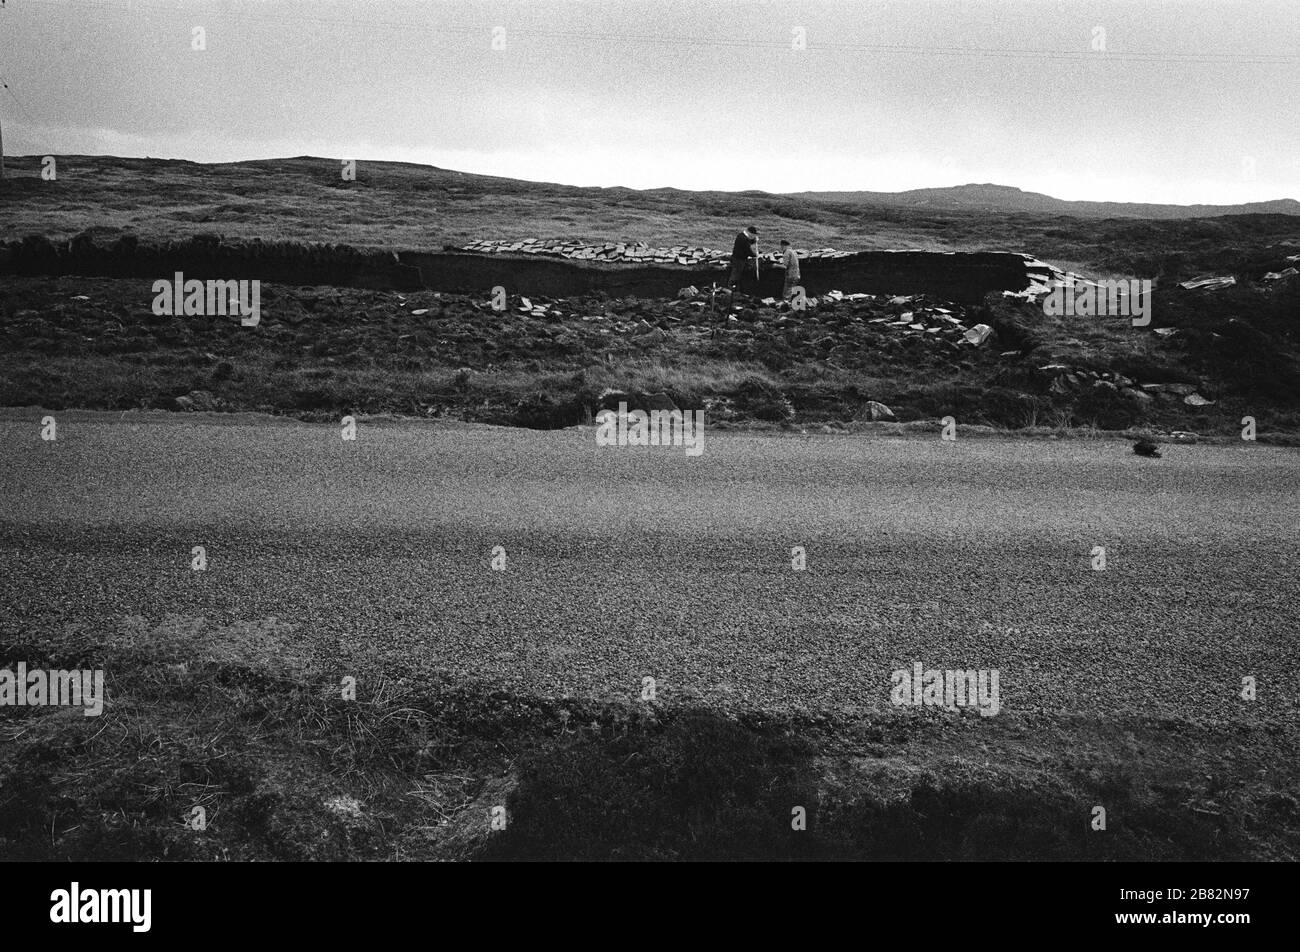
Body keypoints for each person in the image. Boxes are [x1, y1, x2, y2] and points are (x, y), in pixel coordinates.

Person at [728, 226, 758, 292]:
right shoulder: (744, 239)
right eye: (753, 234)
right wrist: (755, 254)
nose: (753, 236)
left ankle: (736, 290)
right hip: (739, 260)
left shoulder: (741, 236)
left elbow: (747, 243)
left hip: (738, 258)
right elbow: (747, 250)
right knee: (735, 275)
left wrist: (753, 241)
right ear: (750, 233)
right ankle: (731, 290)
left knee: (737, 274)